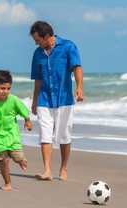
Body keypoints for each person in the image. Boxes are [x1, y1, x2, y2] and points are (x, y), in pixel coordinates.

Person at [29, 20, 85, 181]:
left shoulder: (68, 47)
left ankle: (63, 168)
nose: (36, 43)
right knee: (45, 135)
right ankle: (47, 170)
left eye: (38, 40)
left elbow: (77, 68)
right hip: (44, 100)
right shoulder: (37, 54)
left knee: (64, 136)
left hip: (64, 99)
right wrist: (34, 101)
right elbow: (37, 80)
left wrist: (79, 88)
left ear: (47, 36)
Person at [0, 70, 33, 191]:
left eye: (8, 88)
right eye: (2, 88)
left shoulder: (13, 100)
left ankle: (21, 159)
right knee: (4, 160)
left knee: (17, 157)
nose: (5, 91)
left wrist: (27, 121)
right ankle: (8, 182)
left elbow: (24, 110)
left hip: (12, 134)